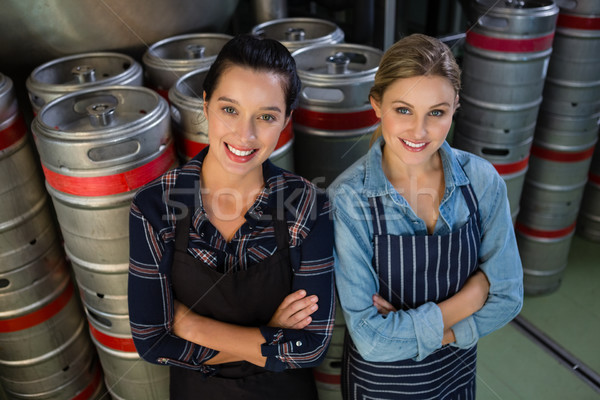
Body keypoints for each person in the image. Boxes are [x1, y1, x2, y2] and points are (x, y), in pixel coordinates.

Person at [128, 34, 335, 399]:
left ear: (286, 119)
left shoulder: (309, 206)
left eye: (266, 116)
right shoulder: (154, 207)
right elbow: (153, 343)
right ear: (205, 105)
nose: (246, 134)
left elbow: (312, 345)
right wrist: (269, 334)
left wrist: (191, 326)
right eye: (229, 109)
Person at [328, 33, 523, 399]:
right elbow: (372, 341)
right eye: (403, 110)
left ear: (455, 107)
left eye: (436, 112)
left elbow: (508, 296)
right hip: (381, 387)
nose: (419, 131)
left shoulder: (481, 181)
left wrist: (440, 333)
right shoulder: (348, 198)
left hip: (456, 377)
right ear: (377, 105)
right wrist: (470, 299)